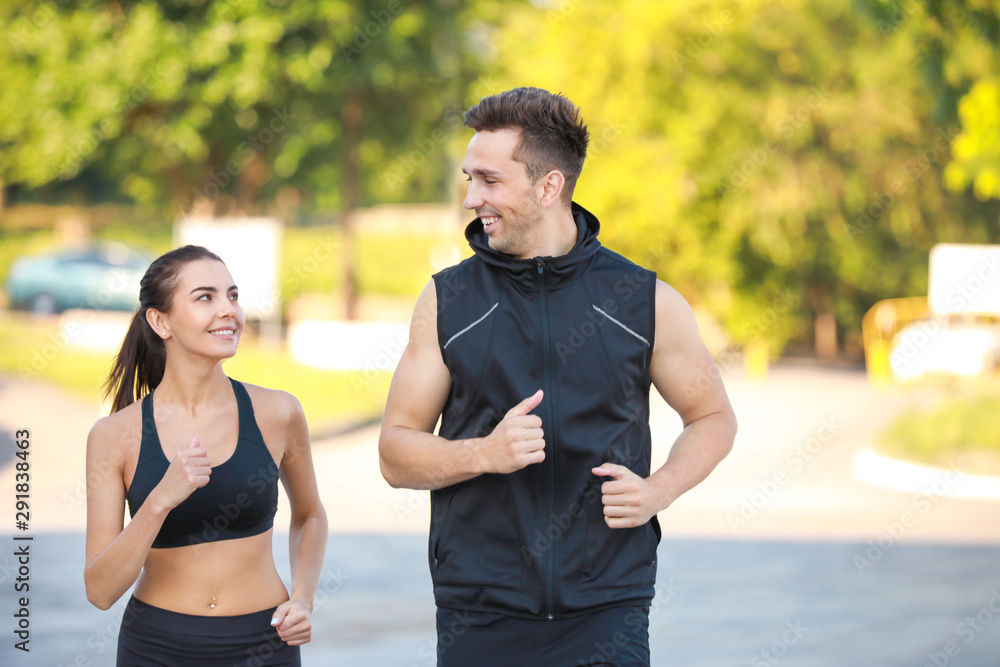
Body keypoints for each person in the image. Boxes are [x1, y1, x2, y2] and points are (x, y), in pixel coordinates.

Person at [378, 87, 738, 666]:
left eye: (490, 181)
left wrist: (657, 491)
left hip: (607, 607)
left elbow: (714, 417)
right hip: (480, 611)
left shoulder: (642, 300)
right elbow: (395, 452)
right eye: (470, 178)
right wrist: (483, 454)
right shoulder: (448, 300)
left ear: (549, 187)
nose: (472, 198)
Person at [85, 245, 328, 667]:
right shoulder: (114, 436)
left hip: (262, 642)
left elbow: (309, 515)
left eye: (232, 295)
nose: (228, 310)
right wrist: (160, 499)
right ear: (160, 321)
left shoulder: (279, 413)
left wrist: (303, 599)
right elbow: (101, 590)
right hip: (156, 646)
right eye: (205, 297)